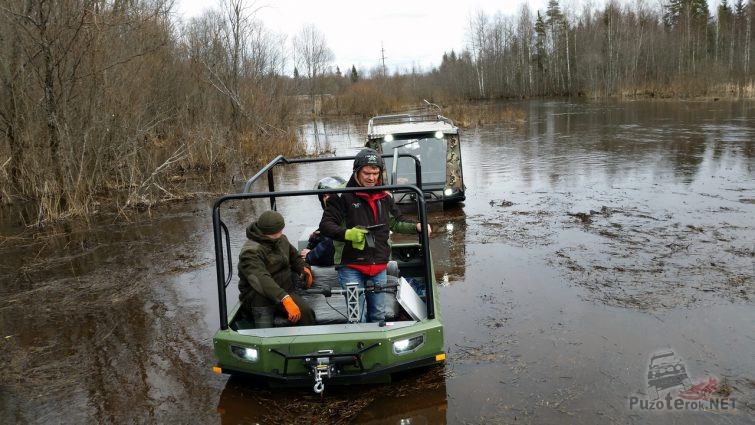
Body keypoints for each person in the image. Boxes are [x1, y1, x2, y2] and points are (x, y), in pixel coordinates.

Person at [319, 148, 431, 323]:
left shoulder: (385, 194)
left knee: (378, 315)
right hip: (351, 266)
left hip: (378, 264)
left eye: (375, 173)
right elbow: (326, 226)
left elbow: (396, 221)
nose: (371, 178)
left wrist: (418, 225)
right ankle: (359, 350)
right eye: (366, 173)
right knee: (358, 318)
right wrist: (348, 234)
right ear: (356, 172)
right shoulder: (341, 195)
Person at [238, 210, 316, 328]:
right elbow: (260, 279)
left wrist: (304, 269)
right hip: (260, 296)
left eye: (281, 230)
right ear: (265, 232)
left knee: (306, 314)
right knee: (265, 327)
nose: (280, 234)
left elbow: (294, 257)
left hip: (285, 291)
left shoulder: (281, 239)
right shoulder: (250, 252)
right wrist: (284, 298)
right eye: (276, 232)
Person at [300, 176, 345, 267]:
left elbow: (329, 251)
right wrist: (319, 235)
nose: (327, 199)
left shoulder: (341, 213)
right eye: (324, 196)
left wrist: (310, 255)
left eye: (330, 195)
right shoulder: (340, 211)